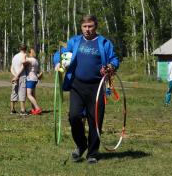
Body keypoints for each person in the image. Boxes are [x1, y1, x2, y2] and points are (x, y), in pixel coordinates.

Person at [53, 15, 119, 164]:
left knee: (95, 120)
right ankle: (81, 145)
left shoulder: (104, 43)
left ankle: (92, 153)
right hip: (77, 85)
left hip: (97, 87)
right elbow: (60, 54)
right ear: (81, 27)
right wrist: (58, 62)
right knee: (74, 116)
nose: (87, 29)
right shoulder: (74, 41)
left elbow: (114, 59)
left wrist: (111, 66)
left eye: (90, 26)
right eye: (85, 26)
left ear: (96, 26)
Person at [10, 44, 28, 116]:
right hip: (22, 76)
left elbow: (11, 68)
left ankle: (12, 109)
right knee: (22, 92)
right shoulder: (25, 56)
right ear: (25, 49)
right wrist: (17, 76)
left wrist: (14, 75)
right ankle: (22, 110)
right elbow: (23, 67)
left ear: (19, 48)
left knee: (14, 92)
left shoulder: (15, 56)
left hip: (15, 76)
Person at [25, 48, 42, 115]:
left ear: (29, 53)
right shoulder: (36, 60)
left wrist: (24, 56)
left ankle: (37, 108)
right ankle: (34, 109)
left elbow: (23, 61)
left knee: (28, 94)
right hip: (35, 78)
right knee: (33, 95)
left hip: (30, 78)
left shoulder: (30, 59)